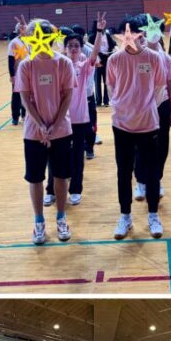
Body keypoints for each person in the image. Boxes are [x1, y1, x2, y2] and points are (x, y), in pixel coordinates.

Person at [15, 18, 76, 244]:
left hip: (61, 130)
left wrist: (55, 125)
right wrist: (41, 125)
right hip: (34, 132)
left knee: (60, 175)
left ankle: (61, 217)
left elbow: (67, 96)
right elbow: (25, 98)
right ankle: (39, 221)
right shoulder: (26, 65)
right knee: (35, 177)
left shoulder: (64, 63)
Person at [106, 16, 167, 239]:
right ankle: (125, 216)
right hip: (122, 125)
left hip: (148, 125)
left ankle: (153, 215)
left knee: (152, 173)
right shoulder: (115, 59)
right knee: (123, 172)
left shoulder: (154, 58)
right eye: (126, 32)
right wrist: (122, 107)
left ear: (141, 34)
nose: (130, 36)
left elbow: (159, 88)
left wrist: (146, 107)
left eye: (134, 32)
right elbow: (111, 88)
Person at [64, 12, 106, 205]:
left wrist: (99, 31)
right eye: (70, 45)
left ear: (81, 48)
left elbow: (95, 54)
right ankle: (52, 189)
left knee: (77, 157)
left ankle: (75, 189)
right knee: (59, 155)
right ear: (65, 48)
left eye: (76, 45)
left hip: (79, 119)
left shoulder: (83, 66)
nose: (73, 48)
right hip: (61, 119)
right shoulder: (59, 65)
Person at [134, 14, 171, 201]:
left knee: (161, 145)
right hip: (141, 106)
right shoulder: (135, 54)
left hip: (162, 105)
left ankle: (156, 180)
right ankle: (141, 181)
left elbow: (170, 84)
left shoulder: (165, 57)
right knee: (140, 145)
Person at [88, 20, 117, 107]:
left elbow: (113, 44)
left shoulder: (107, 35)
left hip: (107, 60)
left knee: (107, 81)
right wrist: (97, 58)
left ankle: (106, 100)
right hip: (97, 60)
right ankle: (98, 101)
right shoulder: (92, 37)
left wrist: (115, 48)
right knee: (97, 81)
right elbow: (91, 50)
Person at [7, 21, 27, 125]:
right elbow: (10, 60)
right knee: (16, 95)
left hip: (28, 72)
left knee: (27, 95)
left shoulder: (30, 41)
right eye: (22, 27)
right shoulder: (14, 43)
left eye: (25, 27)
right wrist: (12, 75)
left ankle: (25, 115)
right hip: (17, 73)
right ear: (18, 29)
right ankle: (15, 117)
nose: (25, 28)